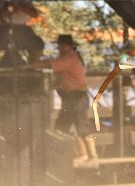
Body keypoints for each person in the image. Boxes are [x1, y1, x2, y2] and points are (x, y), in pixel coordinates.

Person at [27, 34, 97, 166]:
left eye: (60, 45)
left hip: (77, 97)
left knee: (81, 127)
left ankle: (93, 157)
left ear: (68, 46)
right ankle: (81, 155)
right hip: (70, 97)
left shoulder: (70, 58)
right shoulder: (68, 57)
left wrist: (29, 66)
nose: (59, 47)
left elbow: (49, 64)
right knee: (62, 127)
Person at [0, 2, 44, 68]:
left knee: (37, 43)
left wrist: (22, 8)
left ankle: (32, 67)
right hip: (1, 28)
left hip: (22, 29)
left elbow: (35, 14)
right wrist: (5, 12)